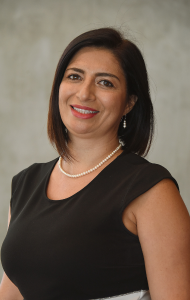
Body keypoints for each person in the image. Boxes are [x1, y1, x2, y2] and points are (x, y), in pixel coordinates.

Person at [0, 27, 190, 300]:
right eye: (74, 76)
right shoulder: (25, 184)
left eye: (105, 83)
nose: (85, 93)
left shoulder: (151, 190)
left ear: (129, 103)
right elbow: (15, 290)